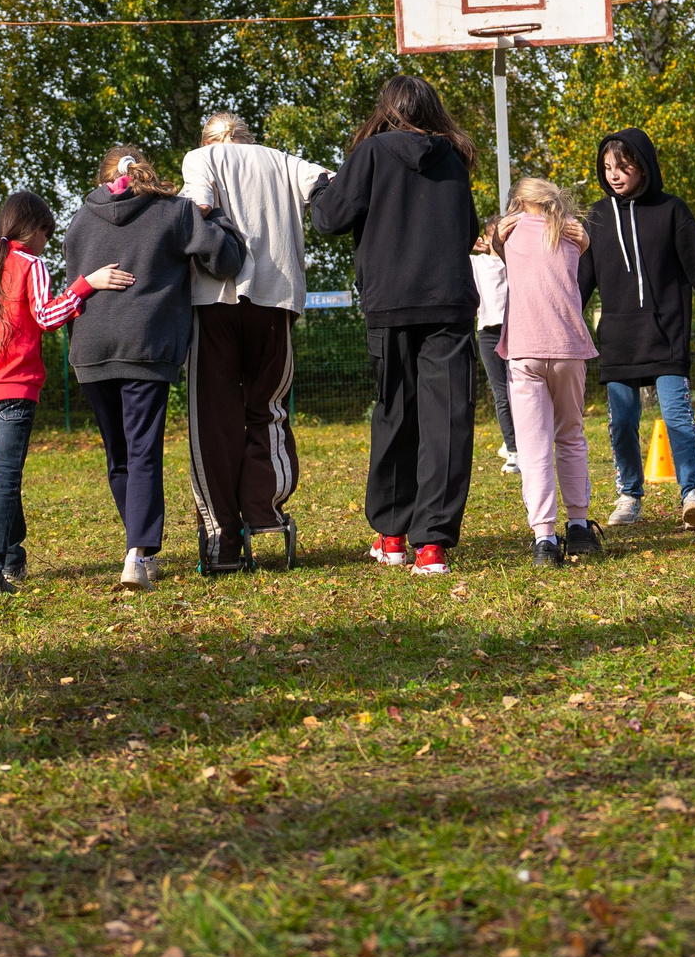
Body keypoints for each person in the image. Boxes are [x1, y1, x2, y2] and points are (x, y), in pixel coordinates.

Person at [309, 75, 480, 575]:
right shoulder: (453, 158)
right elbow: (467, 229)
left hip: (390, 304)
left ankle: (390, 536)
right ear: (432, 109)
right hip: (448, 303)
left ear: (387, 109)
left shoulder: (371, 152)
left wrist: (324, 186)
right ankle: (433, 546)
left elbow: (329, 219)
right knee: (448, 421)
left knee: (394, 415)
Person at [59, 147, 246, 590]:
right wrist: (215, 215)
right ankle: (137, 555)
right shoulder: (174, 211)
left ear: (104, 175)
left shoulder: (81, 218)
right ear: (146, 171)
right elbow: (226, 261)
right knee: (142, 450)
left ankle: (138, 546)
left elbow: (73, 278)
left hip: (90, 347)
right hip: (146, 343)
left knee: (118, 455)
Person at [178, 113, 332, 571]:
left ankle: (222, 536)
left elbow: (198, 207)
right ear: (249, 136)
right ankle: (265, 512)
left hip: (215, 298)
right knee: (269, 409)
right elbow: (331, 185)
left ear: (207, 138)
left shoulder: (200, 158)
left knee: (214, 418)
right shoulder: (283, 161)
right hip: (276, 296)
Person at [0, 191, 132, 595]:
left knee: (5, 476)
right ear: (34, 230)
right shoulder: (31, 264)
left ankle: (11, 557)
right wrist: (86, 284)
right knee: (4, 479)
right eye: (47, 233)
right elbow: (47, 316)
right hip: (16, 389)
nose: (47, 242)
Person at [582, 129, 695, 533]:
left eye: (623, 166)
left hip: (667, 336)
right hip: (618, 342)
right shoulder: (596, 218)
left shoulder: (672, 210)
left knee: (677, 417)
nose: (614, 175)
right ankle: (629, 496)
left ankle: (693, 494)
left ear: (644, 165)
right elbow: (576, 288)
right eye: (607, 168)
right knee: (621, 423)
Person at [494, 180, 597, 564]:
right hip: (569, 346)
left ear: (519, 203)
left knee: (534, 447)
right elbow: (576, 254)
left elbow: (501, 252)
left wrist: (498, 237)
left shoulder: (509, 231)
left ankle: (545, 539)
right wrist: (584, 242)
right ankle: (580, 527)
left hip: (525, 349)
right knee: (571, 437)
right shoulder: (572, 232)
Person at [471, 220, 521, 476]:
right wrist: (474, 244)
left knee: (520, 391)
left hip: (515, 330)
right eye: (495, 236)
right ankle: (513, 450)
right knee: (501, 393)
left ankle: (518, 443)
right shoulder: (477, 263)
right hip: (488, 332)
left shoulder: (515, 261)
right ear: (487, 238)